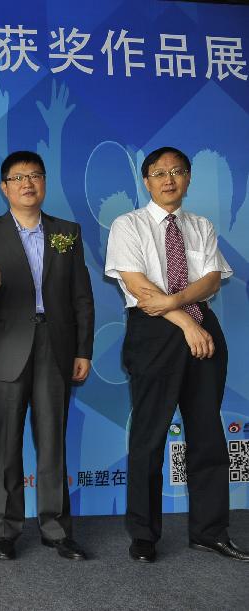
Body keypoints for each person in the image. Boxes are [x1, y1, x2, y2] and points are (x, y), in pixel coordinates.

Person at [105, 146, 247, 563]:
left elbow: (212, 281)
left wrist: (182, 305)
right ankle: (144, 536)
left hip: (202, 325)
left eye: (178, 171)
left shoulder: (200, 225)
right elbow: (135, 282)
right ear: (146, 180)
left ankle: (209, 531)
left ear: (188, 179)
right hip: (156, 333)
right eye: (159, 172)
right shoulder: (127, 224)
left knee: (207, 434)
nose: (169, 179)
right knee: (149, 436)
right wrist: (184, 321)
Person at [0, 151, 94, 561]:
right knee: (5, 442)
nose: (27, 184)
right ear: (4, 188)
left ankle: (56, 530)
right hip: (3, 348)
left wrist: (84, 350)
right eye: (18, 178)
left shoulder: (66, 232)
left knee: (52, 440)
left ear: (44, 183)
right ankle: (4, 531)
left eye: (35, 175)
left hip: (56, 346)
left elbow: (82, 298)